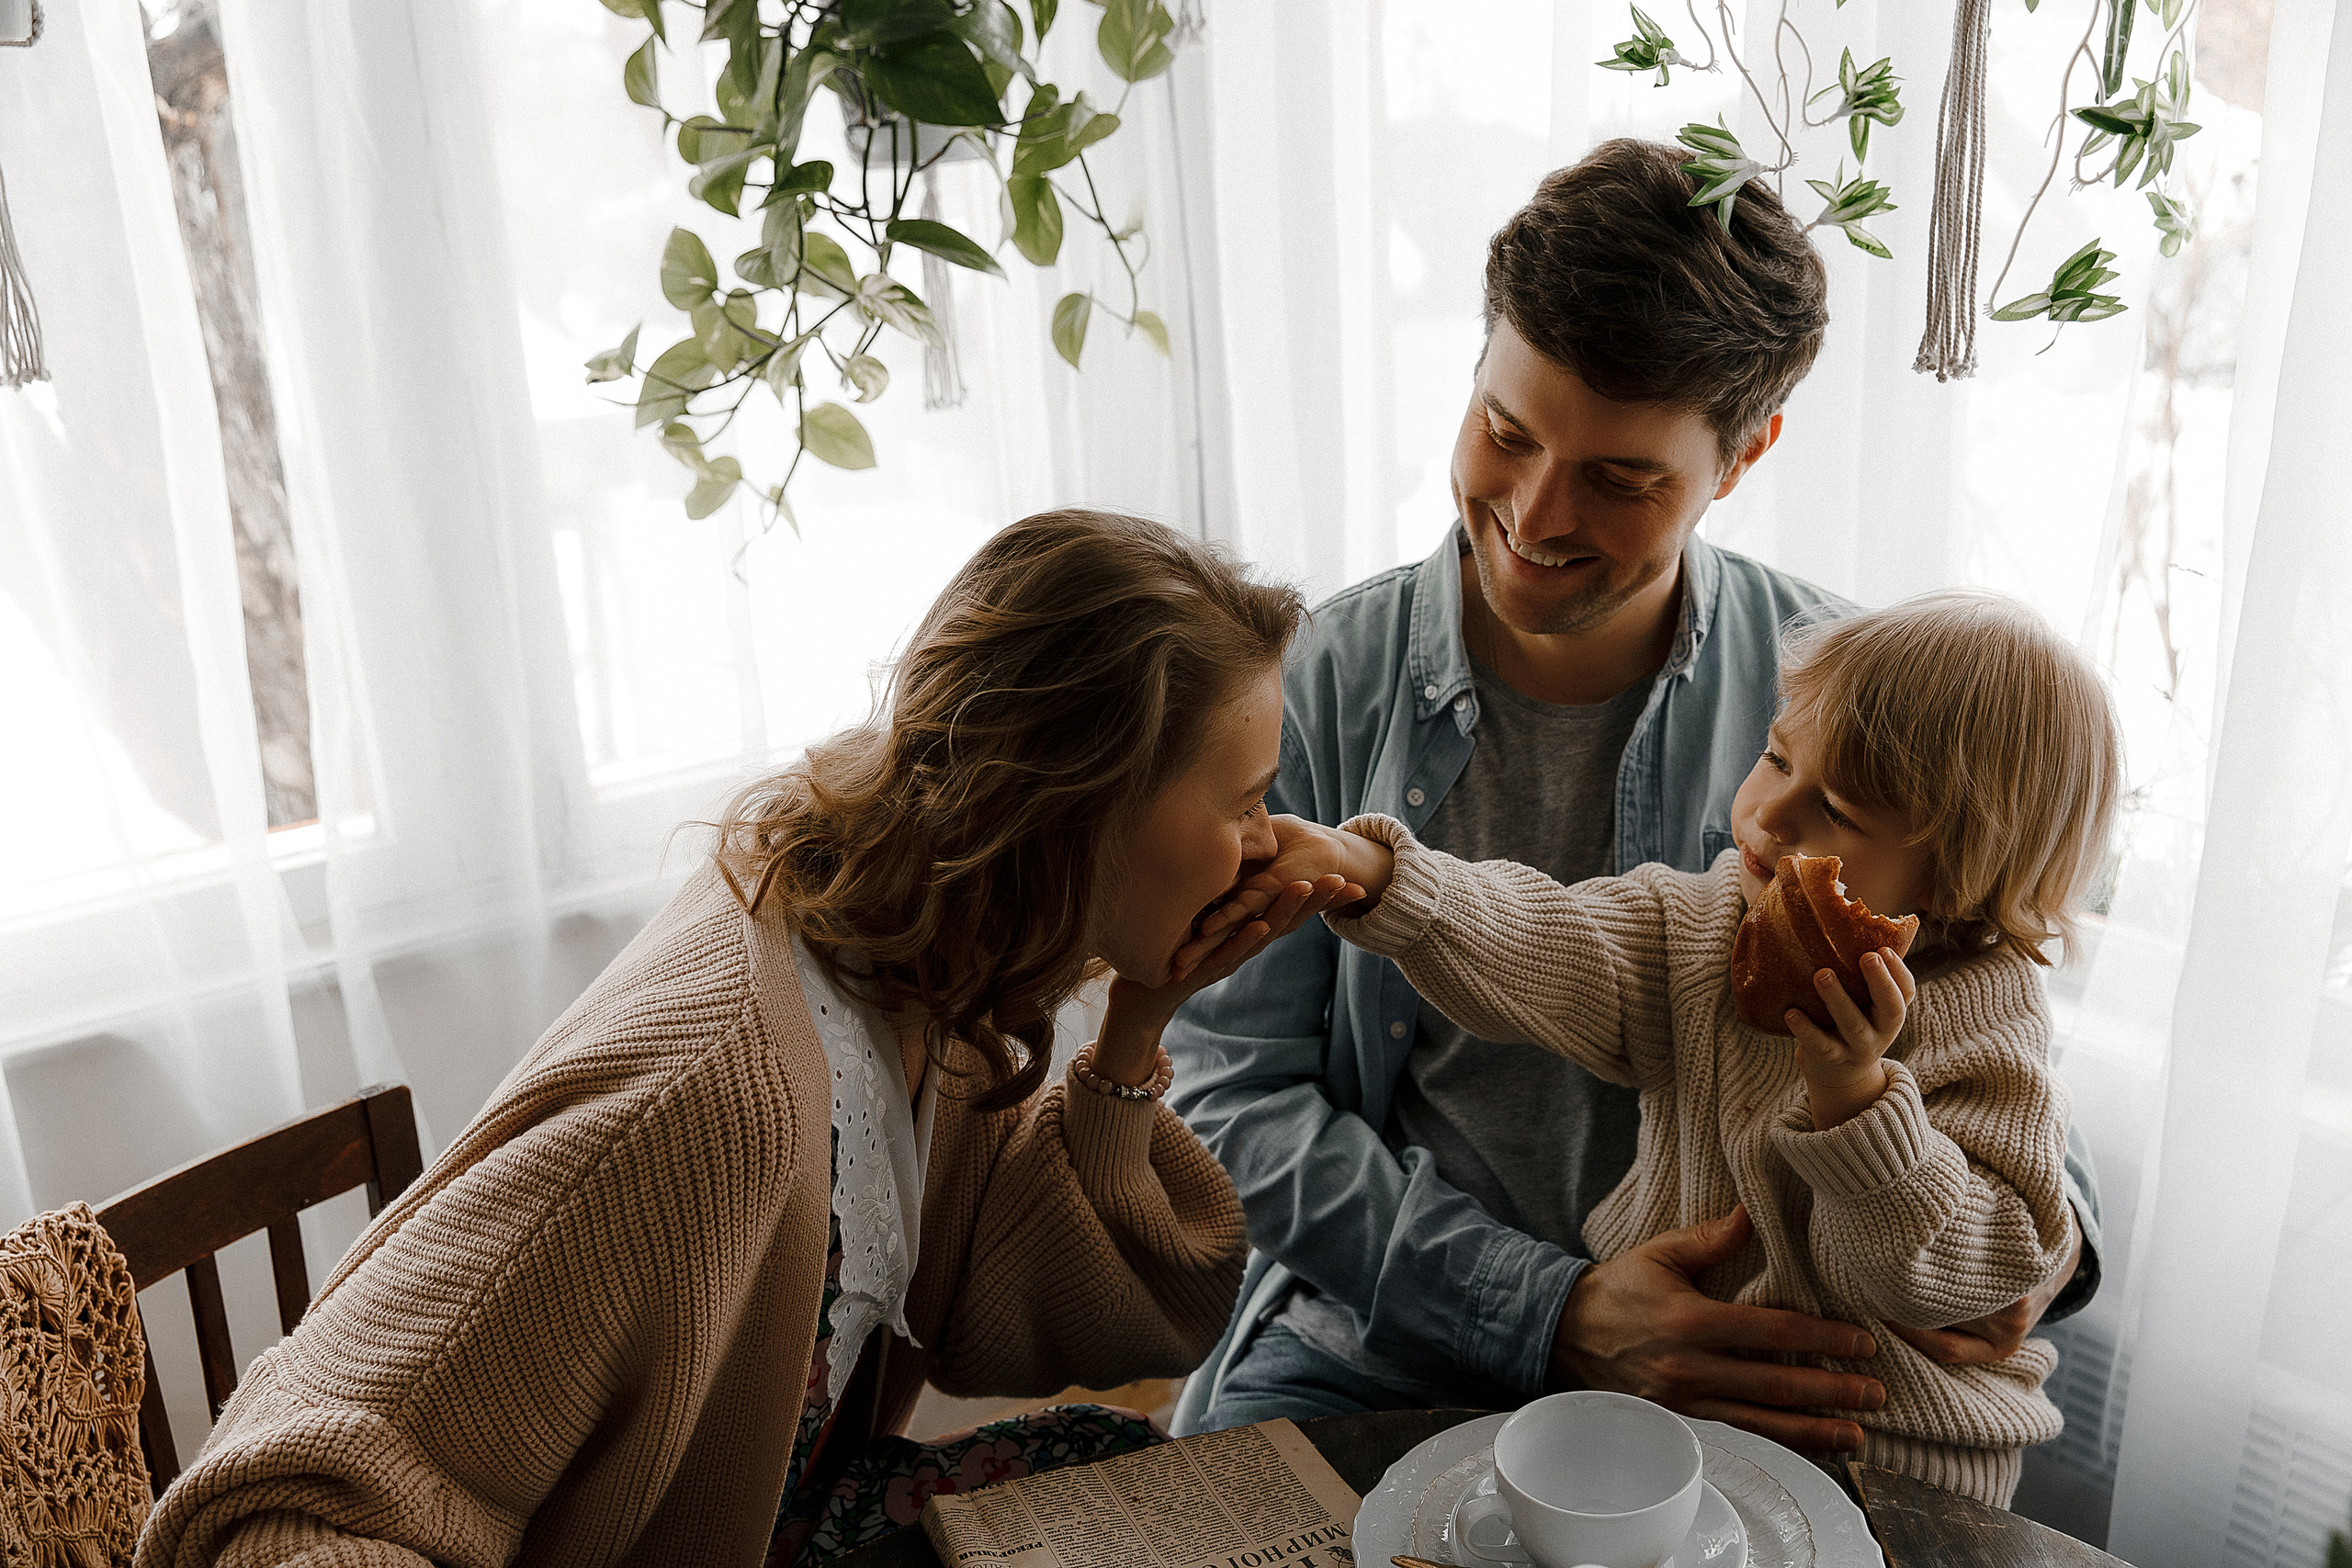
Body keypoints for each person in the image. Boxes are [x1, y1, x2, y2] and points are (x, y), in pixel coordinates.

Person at [136, 510, 1363, 1568]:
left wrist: (1139, 1020)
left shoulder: (914, 942)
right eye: (1246, 796)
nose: (1271, 836)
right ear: (1082, 810)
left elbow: (1101, 1298)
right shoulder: (712, 1093)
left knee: (1140, 1470)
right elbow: (283, 1501)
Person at [1164, 139, 2103, 1445]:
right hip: (1390, 1334)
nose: (1535, 514)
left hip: (1763, 1381)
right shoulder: (1312, 679)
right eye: (1505, 432)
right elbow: (1229, 1091)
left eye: (1620, 477)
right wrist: (1549, 1306)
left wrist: (2027, 1264)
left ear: (1744, 455)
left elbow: (1996, 1038)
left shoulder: (1851, 705)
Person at [1197, 591, 2119, 1506]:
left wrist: (1855, 1097)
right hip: (1658, 1430)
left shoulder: (1989, 1017)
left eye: (1833, 809)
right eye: (1773, 758)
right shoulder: (1710, 920)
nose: (1766, 815)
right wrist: (1384, 882)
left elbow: (1946, 1268)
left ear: (1964, 870)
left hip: (1888, 1450)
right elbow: (1550, 942)